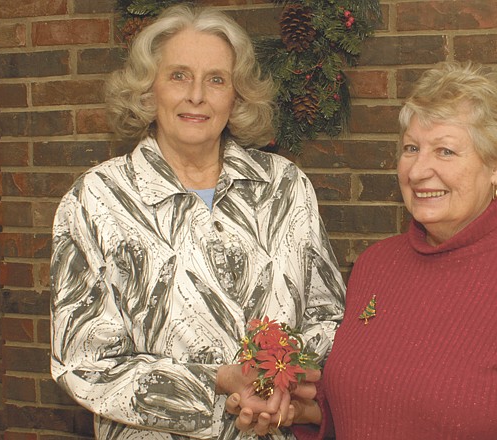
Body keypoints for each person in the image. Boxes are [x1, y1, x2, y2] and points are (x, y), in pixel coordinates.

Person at [230, 60, 497, 438]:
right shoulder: (376, 267)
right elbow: (374, 404)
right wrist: (302, 411)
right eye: (411, 148)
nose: (419, 170)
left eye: (445, 150)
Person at [49, 4, 345, 440]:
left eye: (216, 79)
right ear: (148, 90)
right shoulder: (96, 200)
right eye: (179, 75)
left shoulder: (285, 186)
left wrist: (283, 387)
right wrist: (220, 385)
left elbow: (327, 315)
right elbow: (85, 362)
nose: (197, 95)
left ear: (236, 95)